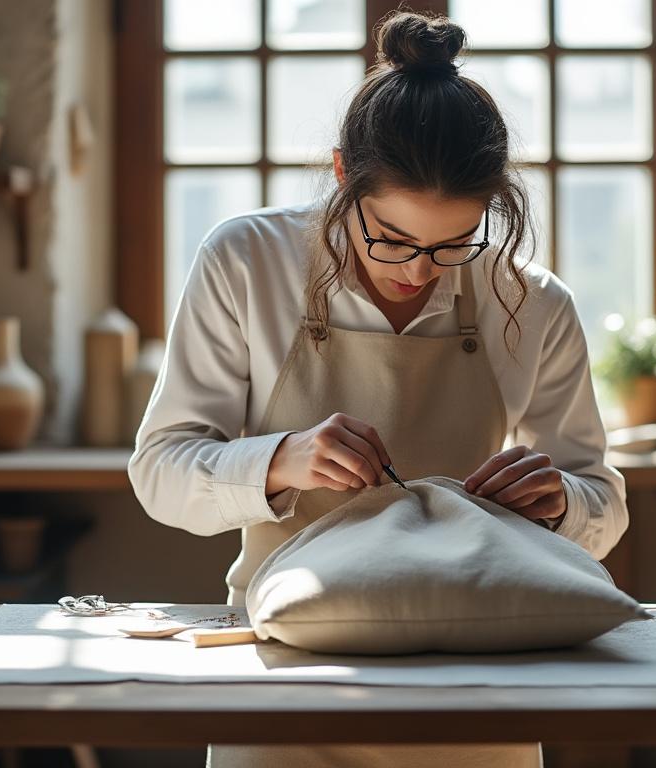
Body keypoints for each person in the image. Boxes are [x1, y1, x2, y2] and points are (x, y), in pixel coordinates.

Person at [129, 10, 628, 768]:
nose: (420, 268)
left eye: (453, 242)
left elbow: (603, 499)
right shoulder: (246, 261)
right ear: (341, 176)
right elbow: (160, 471)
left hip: (479, 669)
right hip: (287, 659)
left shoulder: (533, 302)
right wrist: (281, 460)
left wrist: (561, 502)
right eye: (392, 237)